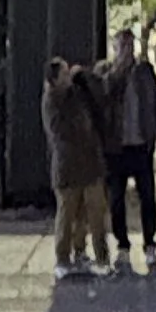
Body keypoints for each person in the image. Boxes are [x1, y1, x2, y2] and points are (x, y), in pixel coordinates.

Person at [99, 24, 156, 273]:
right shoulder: (107, 71)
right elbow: (103, 92)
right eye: (122, 46)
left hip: (140, 144)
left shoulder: (144, 71)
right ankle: (123, 246)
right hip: (117, 146)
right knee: (116, 199)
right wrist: (119, 68)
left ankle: (150, 244)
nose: (127, 51)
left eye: (130, 46)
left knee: (147, 196)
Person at [42, 53, 112, 282]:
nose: (68, 74)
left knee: (92, 214)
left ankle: (90, 254)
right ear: (54, 79)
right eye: (64, 72)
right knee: (67, 215)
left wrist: (83, 76)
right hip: (68, 167)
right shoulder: (54, 99)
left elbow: (97, 93)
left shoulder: (78, 92)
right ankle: (63, 259)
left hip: (89, 164)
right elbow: (61, 133)